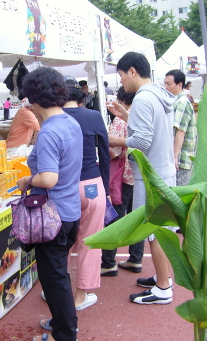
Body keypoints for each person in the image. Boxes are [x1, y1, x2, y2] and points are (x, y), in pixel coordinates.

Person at [18, 67, 83, 341]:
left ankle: (64, 334)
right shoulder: (71, 122)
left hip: (51, 218)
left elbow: (49, 178)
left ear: (33, 99)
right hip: (69, 213)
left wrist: (27, 180)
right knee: (59, 275)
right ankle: (64, 325)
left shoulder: (48, 132)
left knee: (54, 279)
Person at [107, 52, 176, 305]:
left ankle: (162, 289)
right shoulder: (158, 93)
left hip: (152, 175)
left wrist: (117, 140)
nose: (122, 81)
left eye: (122, 75)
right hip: (162, 171)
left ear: (133, 71)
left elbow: (142, 140)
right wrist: (126, 115)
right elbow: (150, 129)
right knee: (161, 231)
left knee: (155, 232)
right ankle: (163, 278)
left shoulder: (144, 98)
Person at [62, 75, 109, 310]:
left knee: (61, 244)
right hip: (91, 185)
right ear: (81, 95)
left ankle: (58, 292)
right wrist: (107, 189)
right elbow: (105, 154)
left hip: (63, 188)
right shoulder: (93, 116)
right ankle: (80, 296)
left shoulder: (53, 119)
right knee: (90, 241)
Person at [101, 86, 140, 276]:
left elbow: (114, 150)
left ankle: (109, 262)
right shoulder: (142, 116)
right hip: (140, 175)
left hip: (122, 176)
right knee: (138, 218)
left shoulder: (120, 119)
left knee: (114, 217)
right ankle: (136, 259)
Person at [164, 69, 197, 186]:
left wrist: (174, 156)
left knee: (179, 194)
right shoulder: (175, 100)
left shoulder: (182, 102)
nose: (166, 87)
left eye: (169, 84)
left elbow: (180, 131)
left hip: (182, 158)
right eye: (165, 83)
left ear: (180, 84)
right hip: (179, 157)